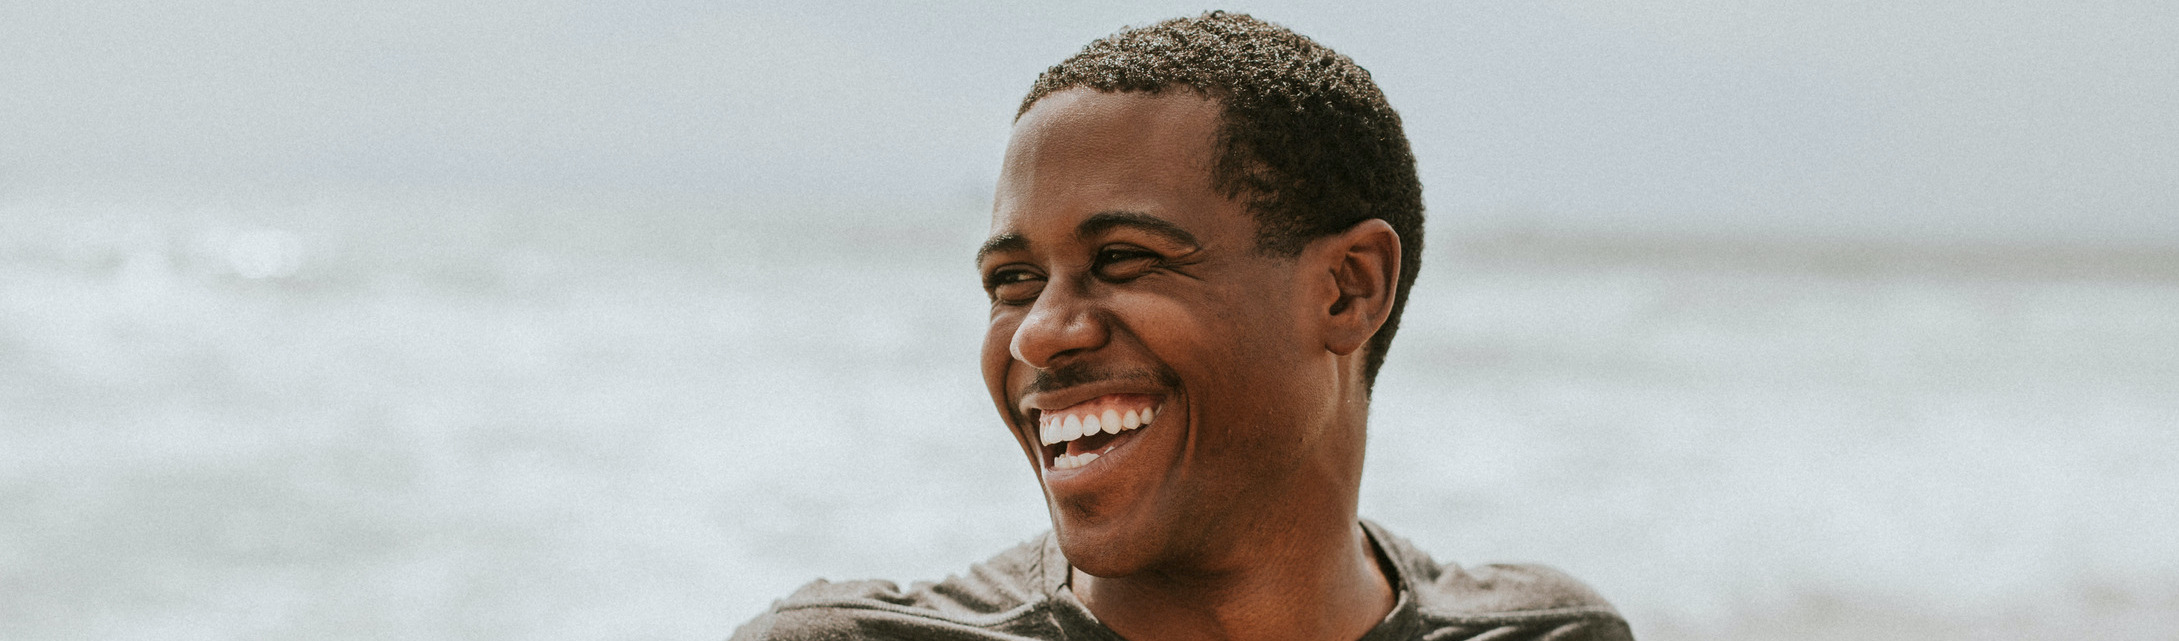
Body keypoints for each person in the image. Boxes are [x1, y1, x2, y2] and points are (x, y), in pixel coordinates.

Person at [733, 12, 1632, 641]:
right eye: (1012, 281)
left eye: (1124, 259)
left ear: (1348, 289)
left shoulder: (1549, 633)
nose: (1037, 334)